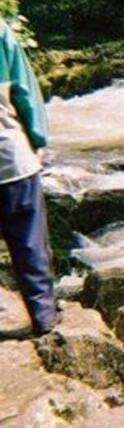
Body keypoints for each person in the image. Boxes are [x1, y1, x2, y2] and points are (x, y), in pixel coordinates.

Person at [0, 19, 60, 338]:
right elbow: (25, 91)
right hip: (11, 161)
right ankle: (44, 317)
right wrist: (38, 139)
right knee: (30, 243)